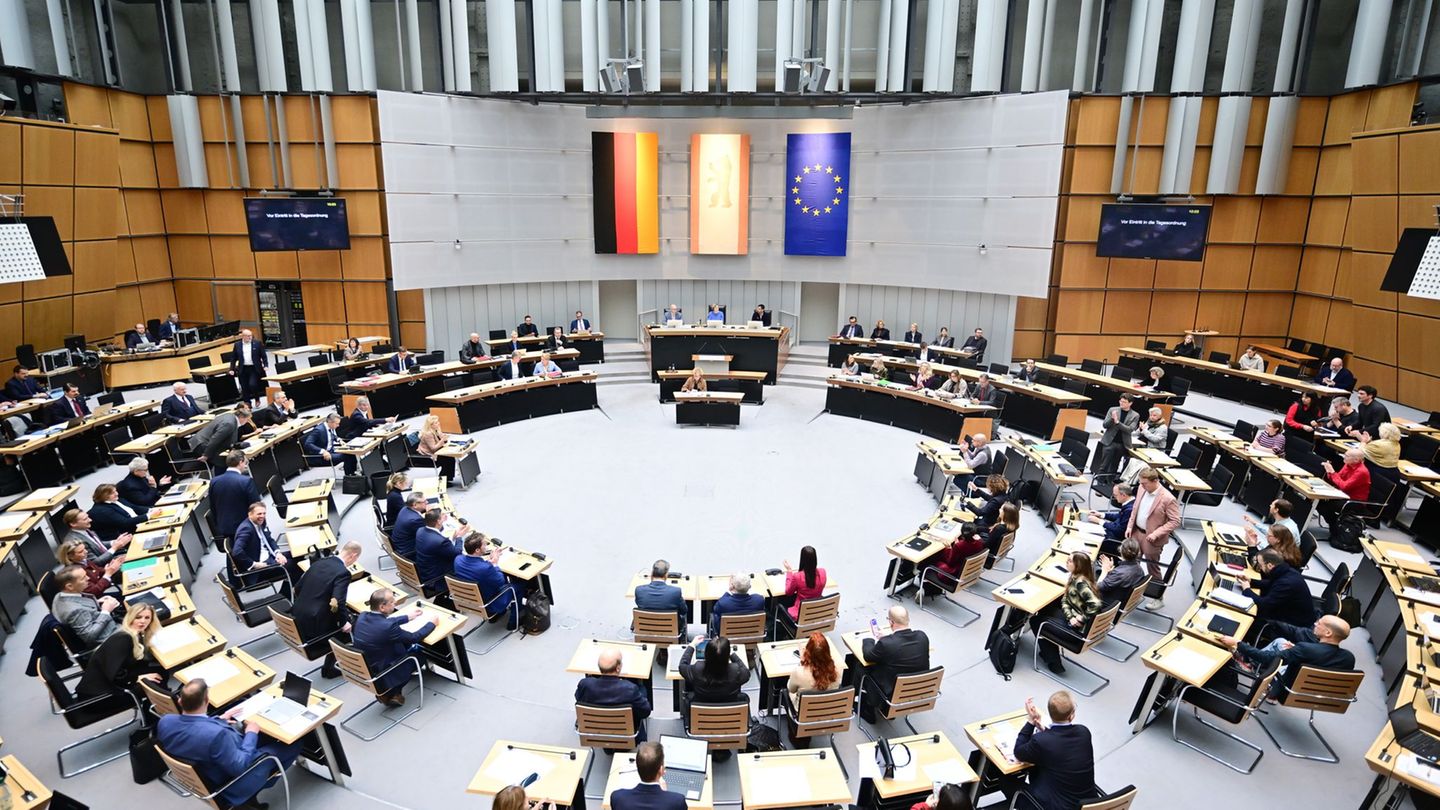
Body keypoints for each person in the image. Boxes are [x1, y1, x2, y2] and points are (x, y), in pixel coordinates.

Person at [156, 680, 300, 809]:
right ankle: (254, 790)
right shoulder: (216, 735)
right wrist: (251, 733)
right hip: (229, 783)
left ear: (180, 701)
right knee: (293, 744)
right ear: (206, 700)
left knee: (260, 736)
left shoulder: (166, 721)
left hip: (206, 772)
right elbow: (240, 766)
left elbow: (193, 729)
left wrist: (219, 719)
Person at [1213, 615, 1354, 697]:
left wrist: (1238, 643)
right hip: (1312, 692)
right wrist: (1297, 651)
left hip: (1287, 689)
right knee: (1281, 642)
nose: (1315, 624)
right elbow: (1320, 661)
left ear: (1328, 633)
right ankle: (1250, 664)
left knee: (1273, 655)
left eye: (1319, 623)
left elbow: (1266, 657)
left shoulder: (1305, 649)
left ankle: (1249, 663)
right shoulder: (1348, 658)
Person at [353, 588, 437, 706]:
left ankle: (390, 692)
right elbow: (414, 637)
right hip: (384, 670)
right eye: (392, 602)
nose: (395, 603)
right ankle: (391, 692)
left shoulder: (362, 616)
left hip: (368, 666)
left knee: (401, 643)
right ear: (382, 607)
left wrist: (407, 617)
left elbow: (386, 621)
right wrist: (432, 624)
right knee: (420, 655)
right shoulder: (388, 627)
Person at [1012, 691, 1095, 810]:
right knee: (1037, 770)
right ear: (1071, 715)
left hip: (1057, 806)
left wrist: (1031, 721)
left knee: (1006, 782)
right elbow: (1061, 745)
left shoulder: (1042, 741)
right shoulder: (1084, 732)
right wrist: (1045, 732)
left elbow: (1018, 752)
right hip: (1088, 804)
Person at [291, 540, 362, 679]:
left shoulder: (319, 562)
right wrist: (344, 623)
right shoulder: (343, 573)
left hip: (297, 618)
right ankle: (330, 668)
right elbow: (338, 603)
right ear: (353, 556)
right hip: (314, 629)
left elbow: (298, 588)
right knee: (353, 623)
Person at [1029, 552, 1102, 673]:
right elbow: (1065, 600)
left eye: (1070, 561)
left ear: (1078, 565)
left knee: (1036, 621)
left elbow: (1096, 604)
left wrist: (1081, 618)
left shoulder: (1081, 583)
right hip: (1073, 620)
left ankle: (1054, 662)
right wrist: (1070, 616)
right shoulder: (1078, 577)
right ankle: (1048, 650)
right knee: (1044, 609)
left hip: (1076, 632)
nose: (1066, 562)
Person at [76, 601, 164, 701]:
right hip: (99, 696)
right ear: (131, 618)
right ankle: (161, 707)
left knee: (160, 672)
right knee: (156, 681)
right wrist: (137, 678)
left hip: (109, 684)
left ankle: (157, 706)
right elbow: (115, 673)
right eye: (138, 617)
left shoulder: (134, 635)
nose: (143, 621)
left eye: (147, 618)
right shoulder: (123, 638)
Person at [859, 606, 929, 722]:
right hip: (915, 690)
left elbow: (868, 656)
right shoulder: (922, 636)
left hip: (891, 692)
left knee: (860, 666)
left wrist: (868, 639)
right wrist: (887, 638)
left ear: (891, 622)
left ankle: (867, 710)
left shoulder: (886, 644)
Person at [1126, 467, 1181, 600]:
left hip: (1152, 539)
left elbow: (1175, 521)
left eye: (1145, 483)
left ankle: (1158, 597)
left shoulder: (1168, 498)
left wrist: (1156, 533)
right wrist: (1129, 527)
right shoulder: (1141, 488)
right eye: (1141, 483)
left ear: (1155, 481)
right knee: (1131, 563)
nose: (1142, 486)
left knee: (1153, 568)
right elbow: (1135, 508)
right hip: (1136, 532)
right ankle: (1131, 592)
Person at [576, 648, 653, 740]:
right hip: (626, 735)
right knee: (642, 689)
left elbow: (578, 698)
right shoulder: (630, 689)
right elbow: (645, 712)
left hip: (595, 733)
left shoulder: (585, 685)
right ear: (618, 668)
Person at [453, 533, 520, 631]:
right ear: (477, 550)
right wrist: (495, 563)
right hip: (488, 605)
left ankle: (497, 615)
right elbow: (501, 581)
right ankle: (513, 623)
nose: (487, 546)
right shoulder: (485, 568)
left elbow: (477, 569)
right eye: (484, 544)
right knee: (519, 585)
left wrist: (490, 562)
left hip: (470, 602)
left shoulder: (458, 560)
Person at [785, 631, 840, 747]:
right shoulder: (838, 669)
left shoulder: (799, 672)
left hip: (803, 716)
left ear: (808, 652)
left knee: (784, 693)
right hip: (827, 711)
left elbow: (791, 688)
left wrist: (801, 664)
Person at [231, 503, 297, 598]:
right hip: (261, 567)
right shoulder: (246, 529)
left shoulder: (261, 522)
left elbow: (269, 539)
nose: (262, 516)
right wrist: (254, 564)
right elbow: (236, 552)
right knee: (295, 565)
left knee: (298, 555)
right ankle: (286, 595)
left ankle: (289, 592)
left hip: (270, 556)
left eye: (264, 513)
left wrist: (278, 553)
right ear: (250, 514)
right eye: (259, 514)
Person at [1242, 548, 1318, 627]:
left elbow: (1264, 605)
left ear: (1270, 565)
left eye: (1260, 565)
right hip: (1286, 612)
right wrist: (1251, 581)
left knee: (1247, 617)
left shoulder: (1286, 584)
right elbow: (1271, 583)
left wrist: (1247, 590)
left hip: (1292, 624)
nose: (1260, 568)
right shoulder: (1287, 571)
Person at [677, 635, 749, 718]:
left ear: (706, 654)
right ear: (727, 656)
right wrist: (732, 654)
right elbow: (746, 671)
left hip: (701, 716)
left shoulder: (697, 669)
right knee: (744, 697)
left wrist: (692, 645)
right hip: (729, 716)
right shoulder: (736, 670)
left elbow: (682, 666)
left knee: (688, 697)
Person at [50, 565, 120, 646]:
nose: (88, 578)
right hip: (109, 638)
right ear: (69, 586)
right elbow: (89, 636)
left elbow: (80, 606)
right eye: (83, 578)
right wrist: (105, 611)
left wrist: (97, 602)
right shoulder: (75, 611)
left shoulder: (59, 595)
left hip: (105, 624)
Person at [609, 741, 687, 810]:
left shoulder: (617, 798)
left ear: (637, 767)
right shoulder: (677, 802)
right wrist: (665, 794)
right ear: (661, 770)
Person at [209, 451, 262, 541]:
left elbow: (213, 507)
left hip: (225, 529)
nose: (246, 465)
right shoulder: (246, 481)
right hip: (246, 529)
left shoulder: (214, 481)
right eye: (246, 462)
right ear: (240, 462)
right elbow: (256, 507)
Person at [1319, 447, 1371, 529]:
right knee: (1317, 500)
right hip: (1342, 495)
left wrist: (1332, 472)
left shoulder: (1362, 472)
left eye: (1347, 456)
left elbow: (1344, 486)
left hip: (1354, 502)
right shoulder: (1348, 464)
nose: (1344, 457)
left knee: (1324, 504)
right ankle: (1335, 525)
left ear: (1356, 460)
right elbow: (1337, 479)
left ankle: (1335, 526)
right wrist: (1329, 472)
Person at [415, 508, 464, 593]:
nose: (444, 517)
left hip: (425, 572)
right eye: (443, 516)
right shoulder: (440, 541)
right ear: (438, 521)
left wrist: (451, 539)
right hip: (438, 579)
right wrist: (459, 537)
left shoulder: (420, 531)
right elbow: (457, 553)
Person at [191, 405, 252, 473]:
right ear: (242, 417)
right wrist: (206, 455)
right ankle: (222, 477)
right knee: (224, 460)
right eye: (247, 420)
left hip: (206, 442)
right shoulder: (229, 424)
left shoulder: (231, 416)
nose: (247, 422)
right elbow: (215, 440)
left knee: (228, 457)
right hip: (202, 444)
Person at [63, 506, 129, 565]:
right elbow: (95, 562)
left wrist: (115, 542)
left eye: (88, 517)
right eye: (85, 519)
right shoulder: (75, 541)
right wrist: (114, 548)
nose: (90, 520)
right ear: (73, 524)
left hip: (112, 558)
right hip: (105, 567)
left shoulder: (85, 529)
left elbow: (97, 545)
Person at [58, 538, 122, 597]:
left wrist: (109, 568)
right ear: (70, 556)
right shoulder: (76, 572)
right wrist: (108, 574)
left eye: (84, 549)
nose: (86, 552)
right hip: (102, 595)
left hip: (107, 585)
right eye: (81, 551)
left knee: (126, 567)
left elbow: (98, 571)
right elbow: (93, 591)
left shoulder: (83, 560)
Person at [1094, 394, 1140, 476]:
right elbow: (1105, 425)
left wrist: (1117, 422)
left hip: (1122, 444)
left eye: (1124, 402)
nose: (1121, 403)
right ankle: (1099, 481)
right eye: (1120, 401)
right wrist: (1112, 419)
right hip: (1109, 442)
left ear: (1130, 403)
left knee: (1114, 466)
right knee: (1104, 465)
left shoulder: (1135, 415)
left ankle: (1109, 482)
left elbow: (1129, 430)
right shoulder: (1112, 410)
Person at [635, 559, 687, 630]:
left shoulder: (639, 590)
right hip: (669, 630)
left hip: (645, 629)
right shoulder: (675, 592)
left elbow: (639, 604)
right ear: (666, 575)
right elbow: (684, 611)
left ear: (652, 574)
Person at [1096, 538, 1147, 607]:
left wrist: (1104, 571)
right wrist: (1110, 571)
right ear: (1138, 553)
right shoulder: (1139, 569)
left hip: (1106, 602)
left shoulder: (1119, 573)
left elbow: (1097, 587)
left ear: (1120, 550)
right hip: (1121, 597)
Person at [782, 546, 826, 622]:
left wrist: (789, 571)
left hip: (800, 615)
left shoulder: (797, 576)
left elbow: (788, 592)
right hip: (816, 612)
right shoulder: (823, 572)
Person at [229, 328, 268, 406]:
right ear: (243, 336)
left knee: (252, 384)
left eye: (251, 335)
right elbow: (233, 358)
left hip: (254, 368)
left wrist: (266, 365)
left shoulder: (257, 343)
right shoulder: (237, 345)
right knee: (244, 387)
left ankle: (257, 398)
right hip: (243, 368)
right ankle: (247, 403)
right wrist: (231, 369)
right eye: (248, 336)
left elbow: (263, 356)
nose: (250, 337)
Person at [416, 413, 457, 482]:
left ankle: (448, 478)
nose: (439, 423)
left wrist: (440, 432)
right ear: (431, 425)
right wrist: (442, 440)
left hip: (436, 451)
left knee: (450, 457)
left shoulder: (435, 430)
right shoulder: (428, 434)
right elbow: (433, 448)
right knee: (448, 459)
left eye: (438, 422)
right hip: (428, 455)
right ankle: (443, 480)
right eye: (436, 423)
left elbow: (444, 441)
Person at [390, 491, 429, 558]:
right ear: (415, 505)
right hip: (408, 551)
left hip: (400, 545)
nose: (427, 502)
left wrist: (426, 510)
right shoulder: (415, 520)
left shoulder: (405, 509)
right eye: (424, 501)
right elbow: (428, 535)